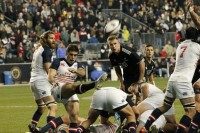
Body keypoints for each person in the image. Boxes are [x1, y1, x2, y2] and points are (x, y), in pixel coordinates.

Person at [29, 44, 108, 133]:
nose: (73, 57)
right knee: (70, 86)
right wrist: (53, 82)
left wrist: (76, 71)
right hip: (57, 89)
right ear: (67, 53)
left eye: (75, 55)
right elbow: (50, 75)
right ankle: (94, 85)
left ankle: (42, 130)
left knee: (73, 115)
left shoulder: (78, 64)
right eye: (71, 54)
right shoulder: (58, 61)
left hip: (70, 92)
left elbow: (82, 73)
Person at [141, 27, 200, 133]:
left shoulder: (180, 46)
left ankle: (145, 128)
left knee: (164, 106)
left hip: (172, 80)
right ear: (196, 37)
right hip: (184, 81)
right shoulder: (197, 46)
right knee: (191, 111)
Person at [28, 31, 58, 131]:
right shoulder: (47, 51)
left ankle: (32, 127)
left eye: (54, 38)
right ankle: (49, 130)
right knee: (53, 106)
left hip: (33, 81)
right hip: (41, 81)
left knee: (42, 107)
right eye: (51, 38)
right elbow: (48, 69)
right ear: (45, 39)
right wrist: (55, 80)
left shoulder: (38, 49)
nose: (54, 40)